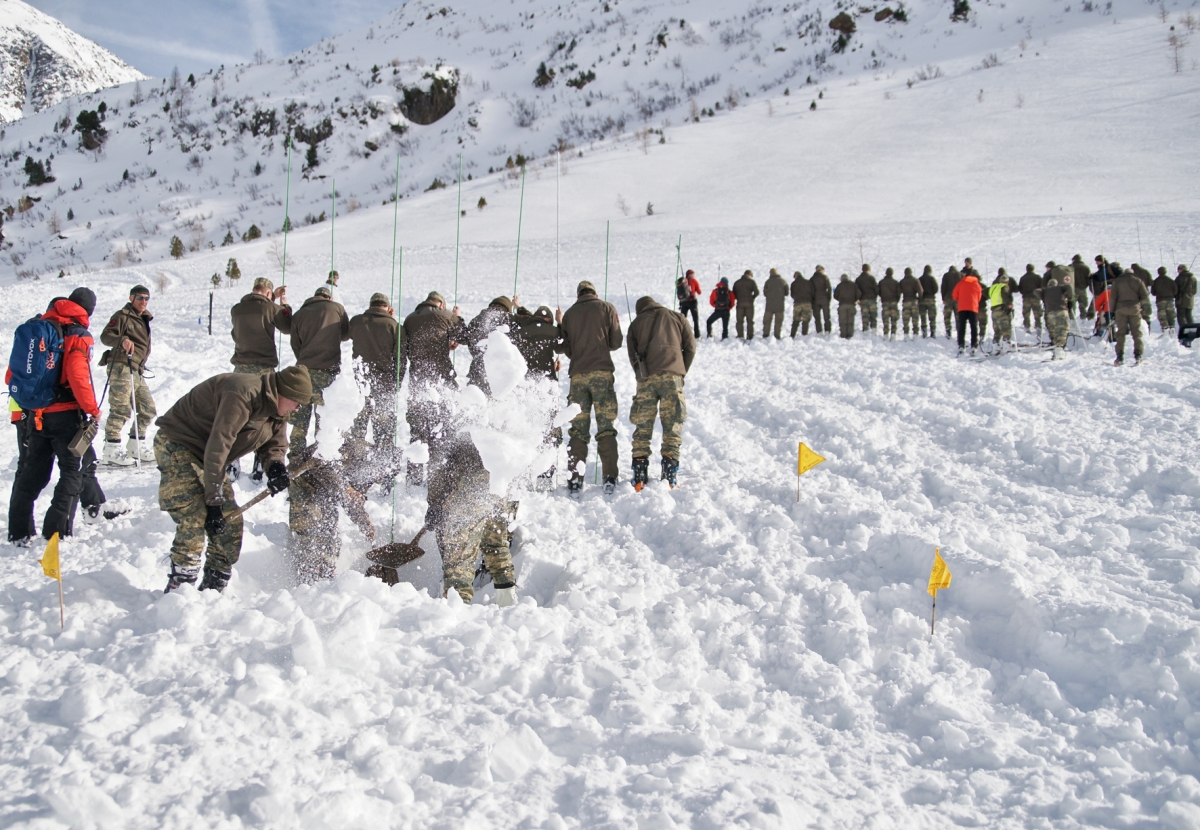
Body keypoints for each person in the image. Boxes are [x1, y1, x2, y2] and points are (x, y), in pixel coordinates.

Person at [155, 366, 311, 592]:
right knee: (195, 516)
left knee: (230, 523)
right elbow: (218, 447)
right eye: (297, 402)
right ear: (283, 393)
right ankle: (180, 588)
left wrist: (275, 467)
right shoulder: (242, 394)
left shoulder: (278, 410)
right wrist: (214, 501)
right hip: (180, 444)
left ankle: (213, 590)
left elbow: (274, 445)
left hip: (209, 458)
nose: (297, 409)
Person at [7, 288, 102, 544]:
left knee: (32, 473)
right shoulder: (77, 335)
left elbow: (11, 376)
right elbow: (78, 376)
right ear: (88, 311)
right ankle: (56, 534)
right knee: (72, 472)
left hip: (37, 415)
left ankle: (19, 531)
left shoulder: (42, 327)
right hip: (66, 417)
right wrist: (93, 409)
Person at [558, 280, 623, 494]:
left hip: (578, 376)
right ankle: (610, 478)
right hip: (602, 374)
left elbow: (568, 350)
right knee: (606, 426)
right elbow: (616, 343)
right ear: (594, 293)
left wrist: (561, 325)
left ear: (579, 294)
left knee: (578, 430)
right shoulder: (607, 308)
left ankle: (575, 480)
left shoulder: (569, 314)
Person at [626, 296, 696, 489]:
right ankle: (670, 476)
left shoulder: (636, 323)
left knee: (642, 426)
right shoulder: (677, 318)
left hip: (646, 378)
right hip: (673, 377)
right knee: (673, 425)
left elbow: (632, 355)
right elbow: (690, 348)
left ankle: (639, 477)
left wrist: (641, 373)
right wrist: (680, 371)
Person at [399, 291, 463, 484]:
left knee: (418, 430)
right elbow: (464, 333)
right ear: (441, 304)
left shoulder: (410, 319)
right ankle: (438, 476)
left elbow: (408, 347)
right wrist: (456, 316)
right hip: (441, 381)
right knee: (441, 429)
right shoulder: (444, 315)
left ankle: (414, 477)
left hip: (418, 381)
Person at [287, 285, 349, 458]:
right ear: (329, 298)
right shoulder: (337, 308)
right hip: (327, 375)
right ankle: (320, 458)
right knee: (324, 421)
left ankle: (295, 458)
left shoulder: (299, 314)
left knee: (299, 421)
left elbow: (295, 344)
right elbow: (345, 334)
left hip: (303, 374)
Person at [99, 284, 156, 466]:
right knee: (121, 408)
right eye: (140, 297)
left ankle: (135, 444)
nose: (144, 301)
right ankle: (111, 448)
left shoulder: (143, 318)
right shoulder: (122, 316)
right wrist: (122, 339)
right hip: (122, 366)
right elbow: (105, 336)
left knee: (148, 408)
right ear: (131, 298)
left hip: (136, 369)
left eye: (147, 298)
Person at [513, 306, 564, 489]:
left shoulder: (522, 331)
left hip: (525, 387)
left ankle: (521, 476)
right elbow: (564, 345)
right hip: (546, 386)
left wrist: (517, 307)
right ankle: (544, 476)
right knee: (548, 430)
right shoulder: (553, 330)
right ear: (549, 320)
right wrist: (561, 321)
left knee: (526, 430)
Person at [348, 293, 400, 460]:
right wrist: (396, 384)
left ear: (371, 305)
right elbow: (400, 359)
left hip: (360, 385)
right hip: (384, 386)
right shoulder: (394, 326)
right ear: (387, 306)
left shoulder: (356, 321)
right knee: (384, 435)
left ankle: (354, 470)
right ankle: (384, 475)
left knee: (357, 432)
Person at [230, 277, 291, 375]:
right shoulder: (271, 308)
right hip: (263, 370)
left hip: (239, 370)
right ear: (268, 294)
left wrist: (273, 296)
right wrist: (285, 306)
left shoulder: (236, 309)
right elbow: (287, 328)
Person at [463, 296, 516, 395]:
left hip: (477, 368)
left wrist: (478, 355)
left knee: (475, 401)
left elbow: (470, 341)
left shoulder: (478, 318)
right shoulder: (508, 318)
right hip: (499, 370)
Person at [1110, 269, 1149, 366]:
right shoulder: (1138, 281)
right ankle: (1138, 355)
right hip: (1134, 309)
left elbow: (1113, 298)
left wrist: (1111, 312)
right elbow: (1145, 296)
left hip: (1120, 309)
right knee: (1136, 333)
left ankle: (1119, 357)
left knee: (1121, 333)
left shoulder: (1117, 281)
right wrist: (1145, 309)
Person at [952, 268, 982, 355]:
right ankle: (974, 345)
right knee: (974, 327)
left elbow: (954, 295)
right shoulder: (977, 284)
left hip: (962, 307)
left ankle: (961, 345)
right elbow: (979, 297)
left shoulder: (960, 283)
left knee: (962, 327)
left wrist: (960, 299)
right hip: (973, 307)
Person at [1041, 276, 1071, 360]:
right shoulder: (1060, 288)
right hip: (1061, 310)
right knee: (1063, 328)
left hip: (1050, 313)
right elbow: (1069, 286)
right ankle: (1059, 348)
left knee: (1054, 331)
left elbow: (1036, 291)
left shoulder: (1045, 291)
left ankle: (1056, 348)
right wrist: (1070, 298)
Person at [988, 270, 1015, 349]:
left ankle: (995, 345)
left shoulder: (993, 287)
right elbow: (1005, 295)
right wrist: (1009, 304)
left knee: (997, 330)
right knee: (1005, 328)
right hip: (1001, 310)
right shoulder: (1004, 286)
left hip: (994, 311)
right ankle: (1007, 344)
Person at [962, 259, 987, 342]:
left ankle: (981, 335)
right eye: (966, 262)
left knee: (981, 321)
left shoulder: (979, 283)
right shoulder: (962, 272)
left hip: (979, 305)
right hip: (971, 306)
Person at [761, 268, 788, 340]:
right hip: (780, 306)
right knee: (778, 321)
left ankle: (766, 335)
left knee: (767, 321)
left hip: (769, 306)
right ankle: (777, 335)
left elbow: (765, 293)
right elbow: (787, 293)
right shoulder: (783, 281)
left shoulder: (768, 282)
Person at [1018, 263, 1043, 339]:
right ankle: (1038, 326)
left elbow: (1020, 288)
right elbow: (1041, 287)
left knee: (1026, 313)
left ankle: (1027, 327)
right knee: (1037, 313)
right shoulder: (1037, 277)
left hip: (1026, 298)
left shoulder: (1023, 278)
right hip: (1036, 297)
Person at [732, 270, 759, 339]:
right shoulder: (752, 282)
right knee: (750, 320)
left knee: (739, 321)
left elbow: (733, 294)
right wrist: (752, 298)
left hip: (740, 303)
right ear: (749, 275)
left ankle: (740, 335)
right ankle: (750, 335)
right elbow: (757, 292)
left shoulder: (737, 282)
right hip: (749, 304)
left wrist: (738, 298)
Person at [898, 267, 922, 340]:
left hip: (906, 301)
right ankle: (915, 334)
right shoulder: (915, 280)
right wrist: (919, 299)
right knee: (915, 319)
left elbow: (898, 292)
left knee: (906, 319)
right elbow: (920, 291)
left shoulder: (902, 281)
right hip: (914, 301)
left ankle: (906, 334)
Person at [675, 269, 702, 338]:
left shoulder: (682, 282)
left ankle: (681, 335)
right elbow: (699, 292)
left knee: (683, 320)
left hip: (683, 303)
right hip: (692, 302)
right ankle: (697, 335)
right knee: (695, 319)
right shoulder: (694, 281)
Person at [833, 274, 861, 339]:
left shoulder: (839, 285)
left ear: (841, 279)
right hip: (851, 305)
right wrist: (854, 299)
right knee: (850, 320)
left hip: (842, 305)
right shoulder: (853, 285)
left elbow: (835, 295)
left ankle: (843, 335)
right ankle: (850, 334)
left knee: (842, 321)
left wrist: (840, 299)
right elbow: (858, 294)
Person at [1152, 266, 1178, 332]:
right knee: (1171, 314)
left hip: (1160, 301)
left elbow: (1153, 292)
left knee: (1162, 315)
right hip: (1169, 300)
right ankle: (1172, 327)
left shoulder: (1156, 281)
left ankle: (1165, 328)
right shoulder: (1170, 280)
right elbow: (1175, 290)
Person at [877, 267, 901, 341]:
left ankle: (886, 334)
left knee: (886, 319)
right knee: (894, 319)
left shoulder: (881, 282)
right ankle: (893, 334)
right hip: (894, 302)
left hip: (885, 302)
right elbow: (899, 293)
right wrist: (896, 300)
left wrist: (882, 297)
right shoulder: (896, 282)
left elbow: (878, 291)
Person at [789, 270, 815, 337]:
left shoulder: (793, 284)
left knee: (796, 319)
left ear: (795, 276)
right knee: (806, 319)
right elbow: (812, 292)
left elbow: (792, 294)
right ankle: (804, 334)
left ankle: (792, 335)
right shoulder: (808, 282)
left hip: (797, 303)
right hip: (807, 303)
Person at [855, 265, 879, 333]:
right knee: (873, 316)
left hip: (863, 300)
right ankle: (874, 329)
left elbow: (855, 290)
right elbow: (876, 289)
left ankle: (865, 330)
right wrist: (875, 296)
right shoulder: (872, 278)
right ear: (869, 270)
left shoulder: (858, 279)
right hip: (872, 300)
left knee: (865, 316)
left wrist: (857, 299)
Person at [940, 265, 960, 339]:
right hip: (958, 299)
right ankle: (959, 331)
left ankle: (948, 330)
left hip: (948, 298)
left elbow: (943, 287)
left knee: (947, 316)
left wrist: (943, 298)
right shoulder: (960, 275)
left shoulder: (946, 275)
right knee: (958, 316)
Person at [811, 265, 833, 335]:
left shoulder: (812, 279)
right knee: (826, 317)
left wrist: (812, 299)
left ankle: (819, 331)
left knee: (817, 317)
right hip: (824, 299)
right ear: (821, 270)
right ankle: (827, 330)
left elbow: (810, 290)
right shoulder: (824, 277)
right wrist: (829, 298)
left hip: (815, 300)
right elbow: (829, 288)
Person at [918, 266, 938, 338]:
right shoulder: (932, 278)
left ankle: (924, 332)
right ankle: (933, 332)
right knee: (932, 316)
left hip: (922, 300)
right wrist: (931, 293)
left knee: (923, 316)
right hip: (931, 299)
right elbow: (936, 289)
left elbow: (917, 289)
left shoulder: (920, 279)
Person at [1071, 255, 1094, 319]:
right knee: (1083, 305)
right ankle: (1083, 318)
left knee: (1072, 305)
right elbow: (1089, 278)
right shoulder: (1085, 267)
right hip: (1083, 289)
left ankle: (1072, 319)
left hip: (1073, 289)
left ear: (1074, 260)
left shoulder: (1070, 267)